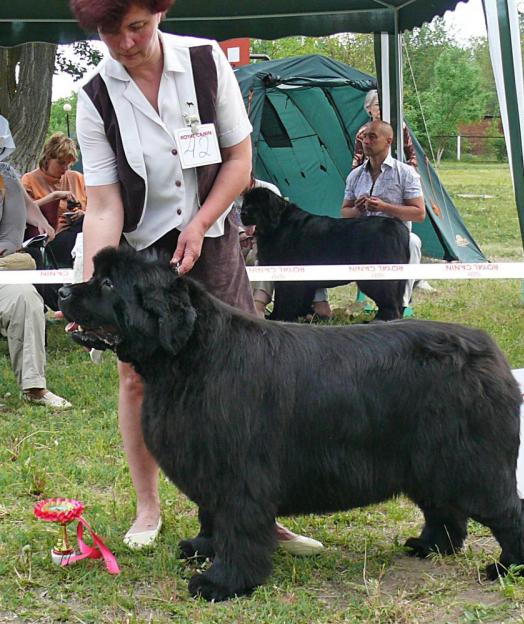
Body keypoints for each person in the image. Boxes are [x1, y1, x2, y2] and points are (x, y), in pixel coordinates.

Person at [69, 0, 322, 555]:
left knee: (243, 371)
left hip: (210, 235)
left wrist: (203, 222)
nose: (126, 43)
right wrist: (93, 289)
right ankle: (147, 505)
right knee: (137, 380)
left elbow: (239, 160)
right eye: (111, 33)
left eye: (136, 27)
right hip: (141, 249)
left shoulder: (206, 63)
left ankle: (255, 511)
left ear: (158, 14)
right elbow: (105, 203)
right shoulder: (94, 97)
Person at [0, 115, 71, 409]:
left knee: (26, 298)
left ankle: (34, 388)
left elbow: (25, 202)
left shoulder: (6, 174)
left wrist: (41, 221)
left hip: (5, 268)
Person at [342, 120, 426, 309]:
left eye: (372, 137)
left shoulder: (406, 173)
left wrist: (385, 207)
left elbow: (419, 213)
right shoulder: (355, 176)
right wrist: (358, 210)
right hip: (362, 234)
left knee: (413, 243)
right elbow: (345, 212)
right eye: (364, 137)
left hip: (395, 235)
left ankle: (401, 304)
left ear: (388, 141)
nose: (366, 141)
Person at [232, 175, 332, 318]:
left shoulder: (269, 191)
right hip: (237, 240)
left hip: (268, 242)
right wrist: (241, 234)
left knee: (262, 258)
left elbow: (278, 227)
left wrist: (256, 237)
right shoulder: (226, 191)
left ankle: (258, 305)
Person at [22, 132, 87, 268]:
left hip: (80, 229)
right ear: (48, 158)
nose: (65, 169)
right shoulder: (29, 180)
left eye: (68, 164)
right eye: (61, 163)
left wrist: (82, 213)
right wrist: (54, 196)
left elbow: (96, 208)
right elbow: (24, 209)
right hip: (53, 237)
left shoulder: (77, 177)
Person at [352, 90, 417, 169]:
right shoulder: (363, 132)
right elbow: (357, 162)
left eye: (383, 104)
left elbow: (411, 155)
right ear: (369, 108)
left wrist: (409, 173)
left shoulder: (399, 127)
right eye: (377, 104)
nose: (381, 108)